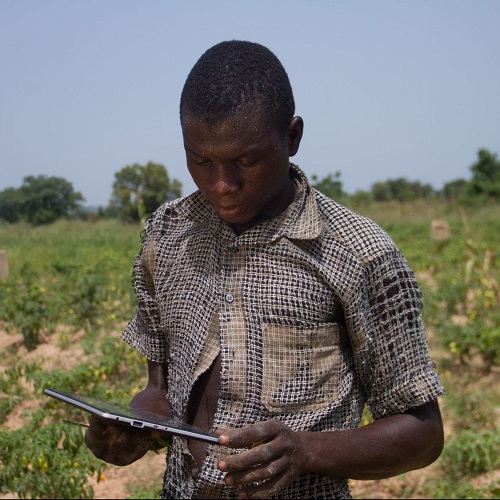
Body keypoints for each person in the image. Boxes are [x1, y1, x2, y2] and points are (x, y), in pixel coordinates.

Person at [85, 40, 444, 499]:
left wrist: (307, 451)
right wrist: (137, 423)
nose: (221, 184)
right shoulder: (167, 235)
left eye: (246, 161)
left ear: (291, 137)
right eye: (200, 160)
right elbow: (159, 387)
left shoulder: (357, 254)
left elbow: (423, 433)